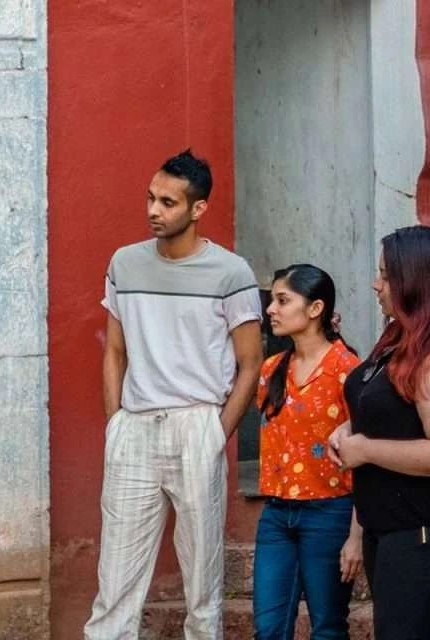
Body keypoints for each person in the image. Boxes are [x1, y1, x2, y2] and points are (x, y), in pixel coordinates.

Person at [84, 150, 263, 640]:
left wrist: (215, 433)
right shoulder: (125, 263)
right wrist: (115, 422)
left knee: (202, 591)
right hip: (135, 427)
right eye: (150, 197)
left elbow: (251, 364)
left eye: (167, 201)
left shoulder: (231, 273)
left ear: (198, 209)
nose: (153, 210)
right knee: (114, 586)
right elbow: (115, 351)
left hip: (197, 425)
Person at [328, 225, 430, 639]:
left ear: (414, 281)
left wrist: (364, 448)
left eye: (385, 274)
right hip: (390, 522)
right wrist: (351, 427)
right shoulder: (398, 340)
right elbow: (392, 411)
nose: (375, 284)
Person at [251, 264, 363, 640]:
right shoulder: (271, 370)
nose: (271, 309)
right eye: (272, 300)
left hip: (330, 512)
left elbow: (365, 457)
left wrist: (356, 535)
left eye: (283, 300)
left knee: (328, 627)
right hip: (276, 515)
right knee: (268, 628)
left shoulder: (347, 369)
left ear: (315, 309)